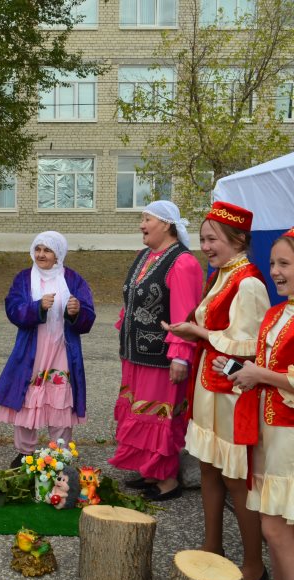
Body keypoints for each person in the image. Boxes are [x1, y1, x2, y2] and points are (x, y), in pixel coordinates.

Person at [162, 202, 269, 580]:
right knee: (208, 466)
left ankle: (254, 563)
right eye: (204, 239)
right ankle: (212, 544)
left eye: (212, 239)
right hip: (210, 389)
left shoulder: (250, 283)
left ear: (237, 240)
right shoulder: (222, 275)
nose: (205, 246)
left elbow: (248, 344)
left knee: (236, 478)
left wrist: (200, 333)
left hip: (233, 394)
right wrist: (191, 327)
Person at [110, 200, 203, 501]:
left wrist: (180, 355)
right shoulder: (145, 256)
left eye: (146, 219)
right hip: (136, 353)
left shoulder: (182, 262)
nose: (141, 225)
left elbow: (184, 315)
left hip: (162, 358)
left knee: (158, 415)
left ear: (165, 223)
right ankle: (150, 470)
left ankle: (168, 481)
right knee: (139, 411)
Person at [0, 231, 96, 469]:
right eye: (37, 249)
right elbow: (13, 308)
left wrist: (76, 311)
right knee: (27, 398)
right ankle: (24, 453)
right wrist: (36, 307)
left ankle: (59, 453)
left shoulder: (73, 279)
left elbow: (88, 317)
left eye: (47, 250)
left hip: (62, 349)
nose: (41, 254)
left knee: (60, 399)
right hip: (32, 351)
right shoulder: (23, 278)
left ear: (58, 253)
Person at [228, 228, 294, 580]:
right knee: (277, 531)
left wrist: (261, 374)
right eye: (272, 263)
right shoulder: (275, 313)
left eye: (284, 263)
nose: (275, 271)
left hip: (290, 437)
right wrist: (249, 374)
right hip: (269, 433)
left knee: (277, 530)